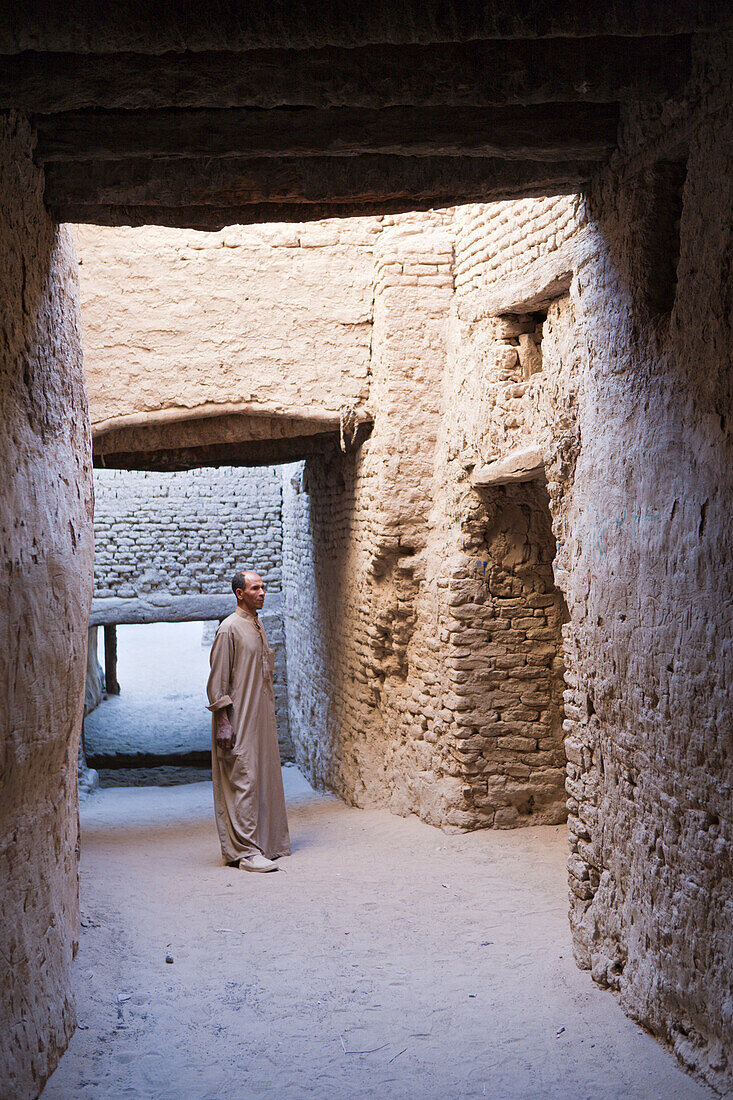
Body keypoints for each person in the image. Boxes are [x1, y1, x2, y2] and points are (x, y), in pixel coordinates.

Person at [206, 570, 291, 872]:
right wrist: (223, 723)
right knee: (243, 777)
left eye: (264, 587)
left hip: (260, 717)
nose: (262, 592)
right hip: (239, 719)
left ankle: (266, 843)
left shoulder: (256, 624)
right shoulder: (229, 629)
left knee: (262, 777)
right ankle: (245, 853)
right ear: (240, 594)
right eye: (255, 588)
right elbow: (217, 683)